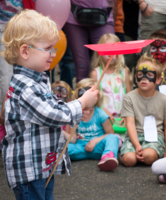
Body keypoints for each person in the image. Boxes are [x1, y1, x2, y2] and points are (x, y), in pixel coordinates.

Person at [0, 10, 99, 200]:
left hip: (40, 165)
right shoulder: (25, 87)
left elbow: (46, 112)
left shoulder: (39, 78)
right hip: (29, 170)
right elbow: (52, 114)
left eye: (54, 48)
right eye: (49, 48)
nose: (54, 54)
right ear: (25, 51)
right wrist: (81, 102)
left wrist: (68, 124)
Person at [119, 53, 166, 167]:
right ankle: (123, 154)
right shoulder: (129, 97)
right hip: (134, 136)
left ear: (158, 79)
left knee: (149, 156)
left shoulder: (164, 100)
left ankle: (147, 153)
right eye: (140, 74)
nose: (144, 78)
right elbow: (130, 124)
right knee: (129, 160)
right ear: (135, 78)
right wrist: (137, 146)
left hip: (155, 137)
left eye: (149, 74)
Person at [68, 78, 119, 171]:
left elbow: (111, 134)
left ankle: (107, 157)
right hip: (80, 148)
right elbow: (73, 140)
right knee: (64, 147)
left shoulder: (101, 113)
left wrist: (95, 141)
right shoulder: (75, 115)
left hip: (98, 148)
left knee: (114, 138)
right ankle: (58, 159)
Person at [63, 0, 117, 83]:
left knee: (109, 62)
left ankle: (110, 94)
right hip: (74, 16)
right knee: (82, 67)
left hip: (104, 15)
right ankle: (84, 94)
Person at [90, 33, 131, 125]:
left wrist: (126, 114)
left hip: (122, 118)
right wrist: (106, 113)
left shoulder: (124, 71)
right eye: (106, 50)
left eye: (113, 50)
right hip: (104, 118)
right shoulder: (96, 74)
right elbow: (95, 99)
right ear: (100, 52)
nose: (110, 55)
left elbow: (129, 97)